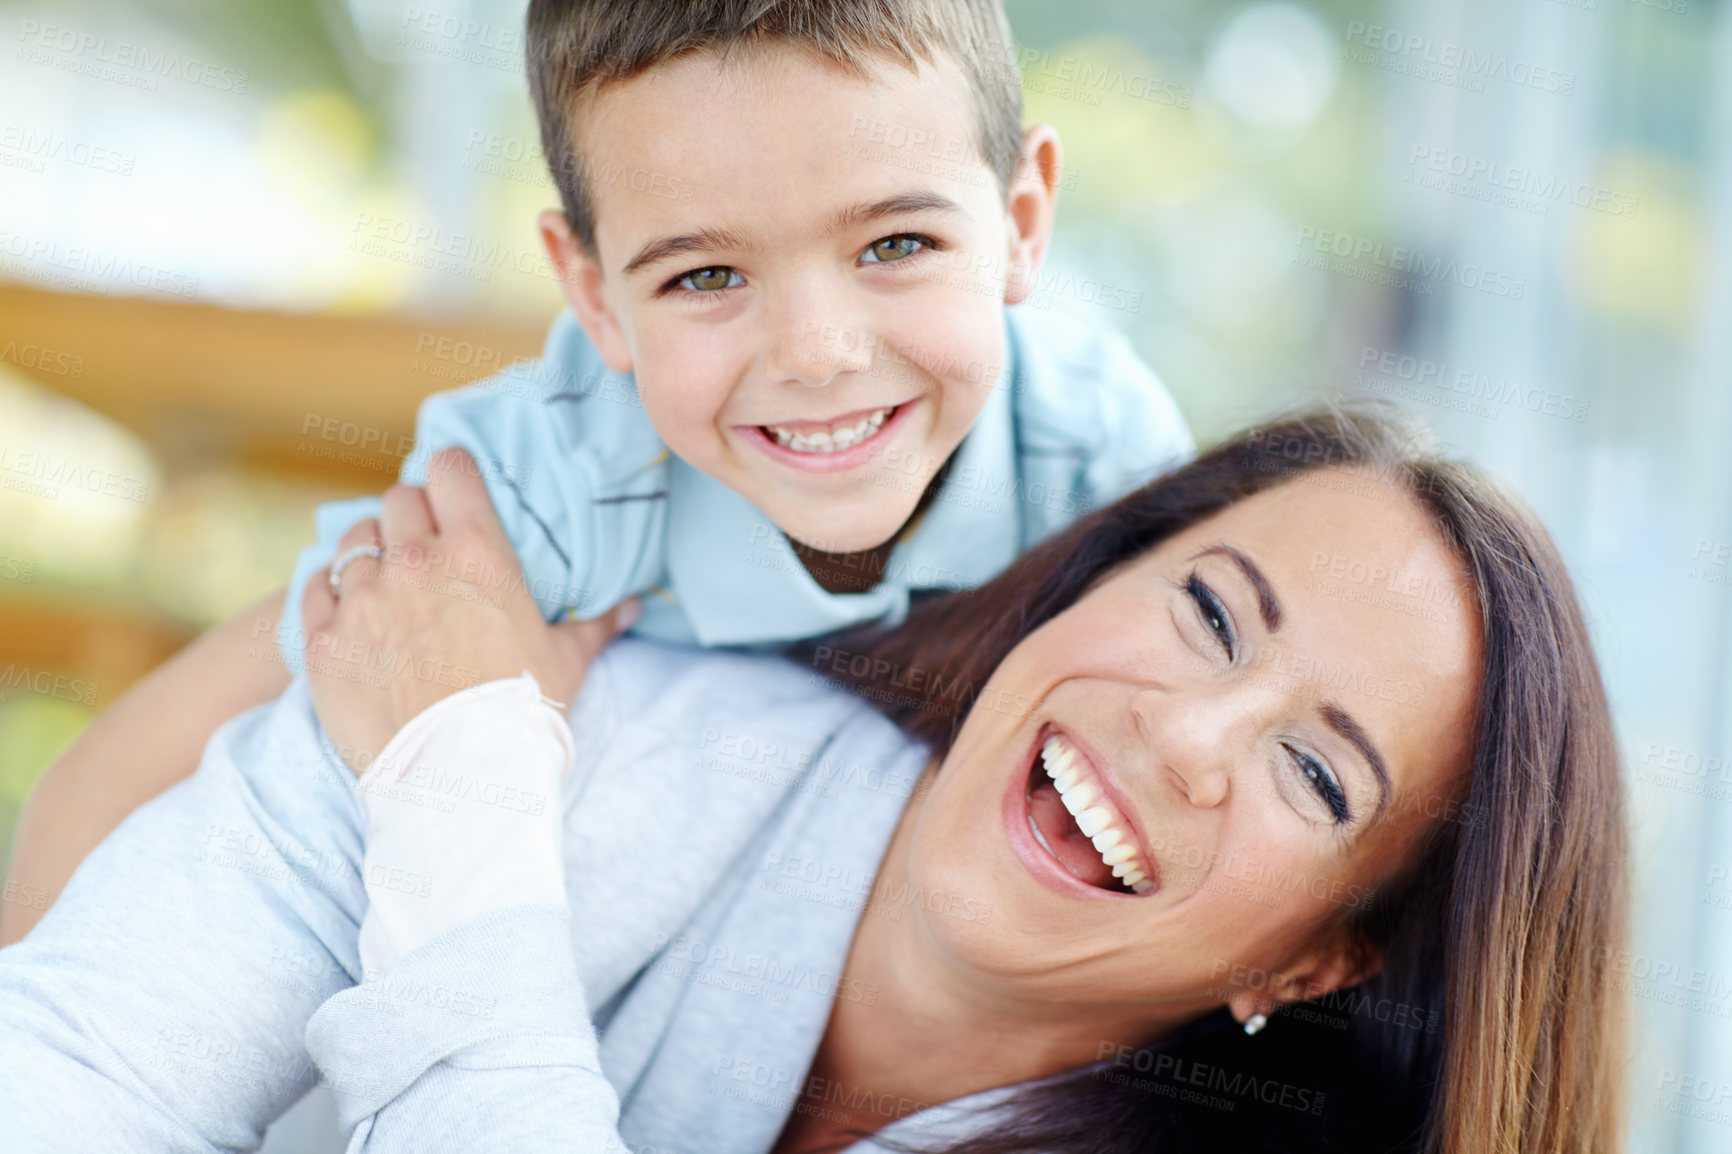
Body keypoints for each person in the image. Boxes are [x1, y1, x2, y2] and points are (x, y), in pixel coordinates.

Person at [0, 409, 1628, 1153]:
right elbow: (73, 1061)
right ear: (1085, 584)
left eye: (1310, 768)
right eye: (1206, 611)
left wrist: (459, 784)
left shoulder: (481, 739)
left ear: (1319, 955)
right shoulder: (609, 712)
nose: (1187, 738)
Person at [1, 0, 1192, 946]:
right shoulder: (549, 474)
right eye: (705, 277)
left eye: (896, 244)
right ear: (592, 295)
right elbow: (148, 759)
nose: (818, 353)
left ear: (1021, 220)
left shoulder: (1102, 463)